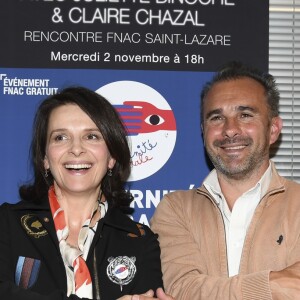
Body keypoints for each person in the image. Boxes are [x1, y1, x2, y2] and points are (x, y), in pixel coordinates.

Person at [151, 61, 300, 299]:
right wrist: (276, 284)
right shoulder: (176, 209)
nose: (230, 130)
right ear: (203, 131)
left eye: (245, 115)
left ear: (273, 129)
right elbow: (184, 290)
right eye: (217, 118)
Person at [0, 86, 166, 300]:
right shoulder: (7, 223)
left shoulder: (140, 241)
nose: (76, 149)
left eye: (91, 136)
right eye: (60, 137)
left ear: (112, 157)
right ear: (45, 158)